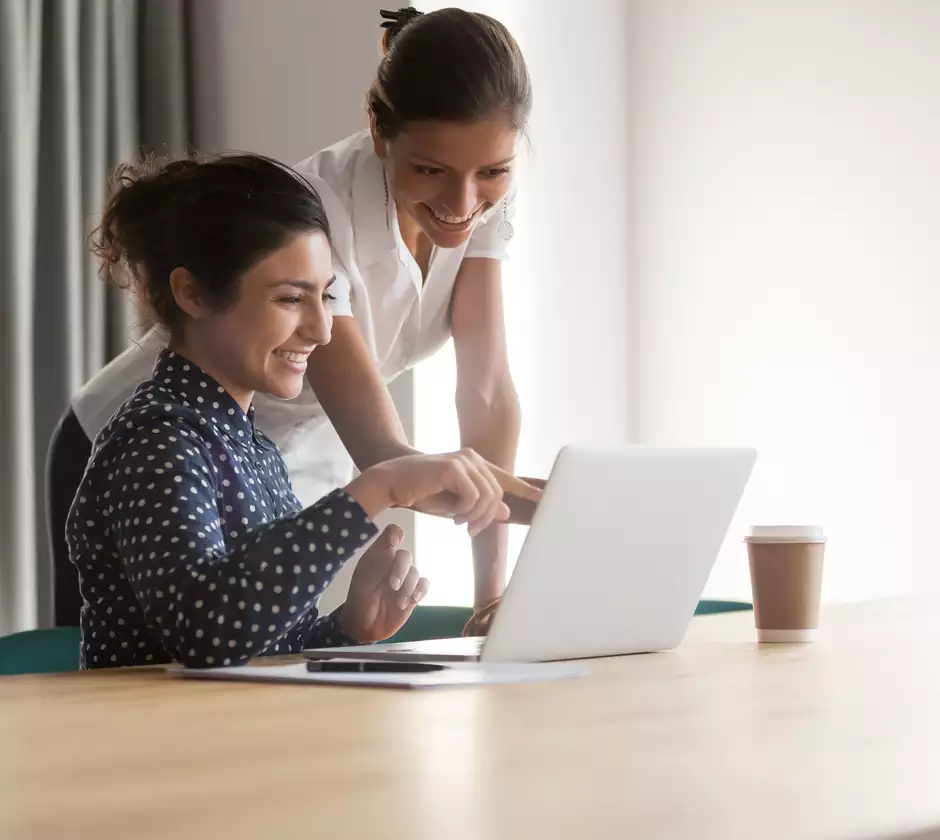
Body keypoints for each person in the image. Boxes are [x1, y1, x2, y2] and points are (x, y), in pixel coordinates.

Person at [60, 6, 536, 626]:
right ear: (378, 129)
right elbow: (386, 457)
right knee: (145, 660)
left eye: (492, 172)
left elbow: (486, 391)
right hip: (158, 439)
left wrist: (491, 596)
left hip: (259, 446)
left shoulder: (474, 198)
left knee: (269, 640)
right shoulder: (312, 216)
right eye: (430, 170)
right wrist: (561, 505)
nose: (462, 202)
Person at [69, 153, 513, 669]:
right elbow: (204, 635)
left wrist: (349, 627)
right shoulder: (158, 441)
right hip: (153, 741)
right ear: (190, 293)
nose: (322, 330)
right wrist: (378, 487)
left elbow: (266, 646)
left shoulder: (253, 448)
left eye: (325, 297)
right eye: (288, 299)